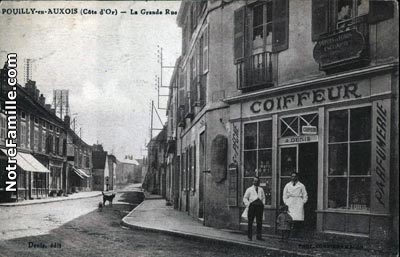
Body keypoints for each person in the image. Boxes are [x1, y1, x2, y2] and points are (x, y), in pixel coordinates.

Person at [282, 172, 308, 237]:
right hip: (290, 202)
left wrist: (302, 202)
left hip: (298, 202)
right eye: (292, 176)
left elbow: (305, 195)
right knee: (290, 218)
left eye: (295, 176)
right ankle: (290, 233)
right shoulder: (287, 185)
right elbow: (284, 194)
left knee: (297, 218)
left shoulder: (301, 185)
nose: (293, 178)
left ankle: (296, 233)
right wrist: (286, 202)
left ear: (297, 177)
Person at [243, 177, 265, 241]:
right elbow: (245, 198)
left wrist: (263, 204)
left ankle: (259, 236)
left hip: (259, 207)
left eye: (257, 181)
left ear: (259, 182)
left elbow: (263, 197)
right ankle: (249, 236)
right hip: (252, 207)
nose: (256, 182)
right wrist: (248, 205)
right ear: (253, 182)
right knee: (250, 222)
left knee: (259, 222)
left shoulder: (261, 189)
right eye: (255, 181)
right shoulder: (249, 189)